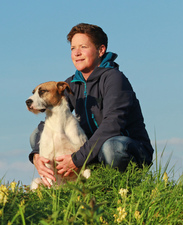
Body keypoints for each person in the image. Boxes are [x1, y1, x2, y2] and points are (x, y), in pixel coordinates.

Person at [29, 23, 153, 187]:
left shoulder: (114, 79)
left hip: (128, 148)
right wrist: (36, 156)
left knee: (113, 147)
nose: (77, 53)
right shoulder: (72, 84)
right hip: (92, 152)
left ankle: (117, 190)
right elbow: (49, 121)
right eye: (73, 48)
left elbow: (112, 126)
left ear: (101, 50)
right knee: (36, 135)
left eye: (83, 47)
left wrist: (76, 159)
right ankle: (77, 185)